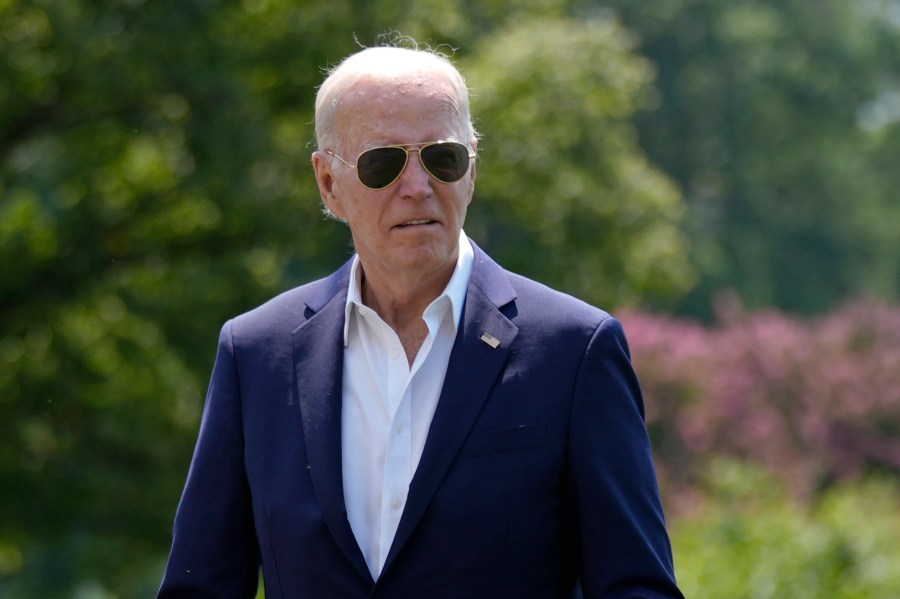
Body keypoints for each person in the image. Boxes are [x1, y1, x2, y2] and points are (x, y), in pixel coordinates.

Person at [158, 42, 683, 599]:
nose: (417, 186)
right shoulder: (256, 352)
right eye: (383, 163)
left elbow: (636, 587)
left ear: (472, 169)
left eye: (442, 158)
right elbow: (201, 586)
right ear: (329, 183)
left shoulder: (574, 350)